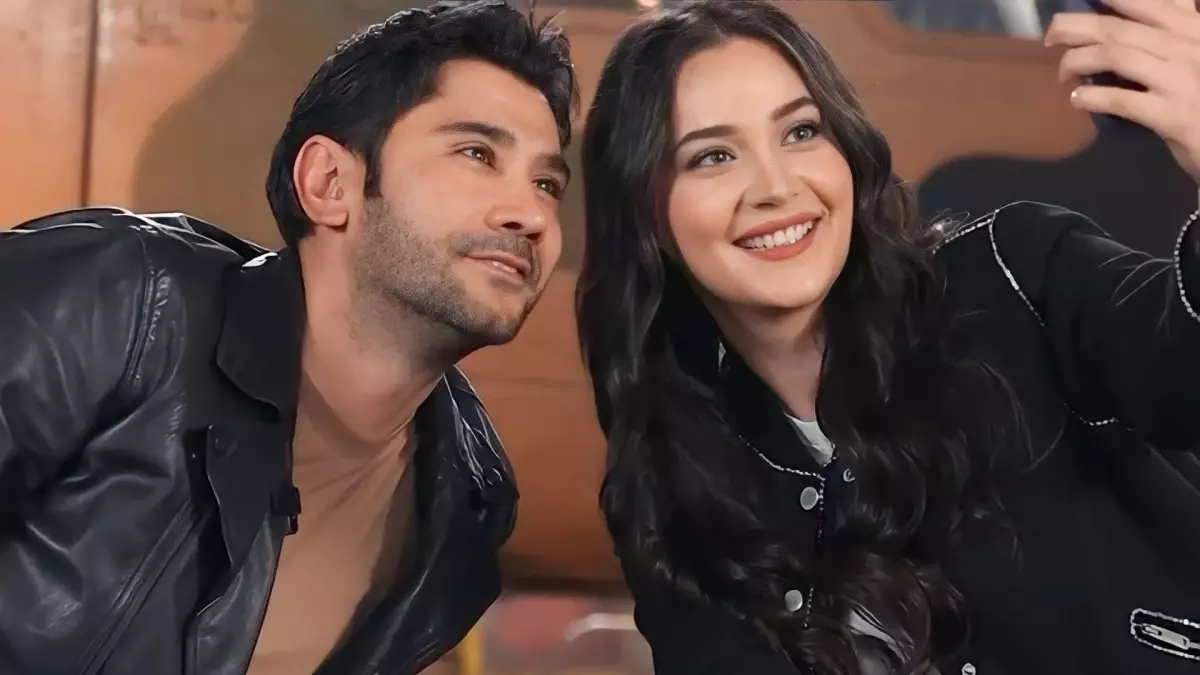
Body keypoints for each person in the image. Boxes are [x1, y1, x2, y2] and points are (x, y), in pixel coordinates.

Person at [575, 0, 1200, 674]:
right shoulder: (673, 476)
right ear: (645, 213)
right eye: (713, 156)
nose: (776, 187)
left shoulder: (1016, 275)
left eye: (801, 132)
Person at [0, 2, 575, 673]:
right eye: (477, 153)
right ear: (329, 183)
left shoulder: (469, 499)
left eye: (547, 183)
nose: (531, 214)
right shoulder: (121, 300)